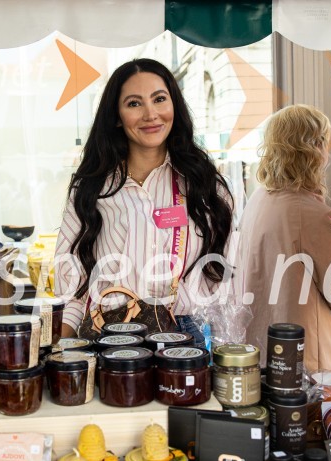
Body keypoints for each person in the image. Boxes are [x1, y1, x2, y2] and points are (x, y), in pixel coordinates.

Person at [53, 58, 234, 346]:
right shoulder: (91, 188)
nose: (151, 114)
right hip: (110, 332)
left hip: (184, 333)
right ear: (116, 116)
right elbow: (71, 283)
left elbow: (224, 275)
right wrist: (56, 346)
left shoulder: (204, 186)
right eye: (134, 103)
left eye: (159, 99)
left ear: (174, 105)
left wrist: (224, 341)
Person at [237, 105, 331, 379]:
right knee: (314, 422)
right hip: (311, 359)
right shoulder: (313, 214)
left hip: (262, 345)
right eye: (325, 142)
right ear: (313, 148)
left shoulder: (259, 200)